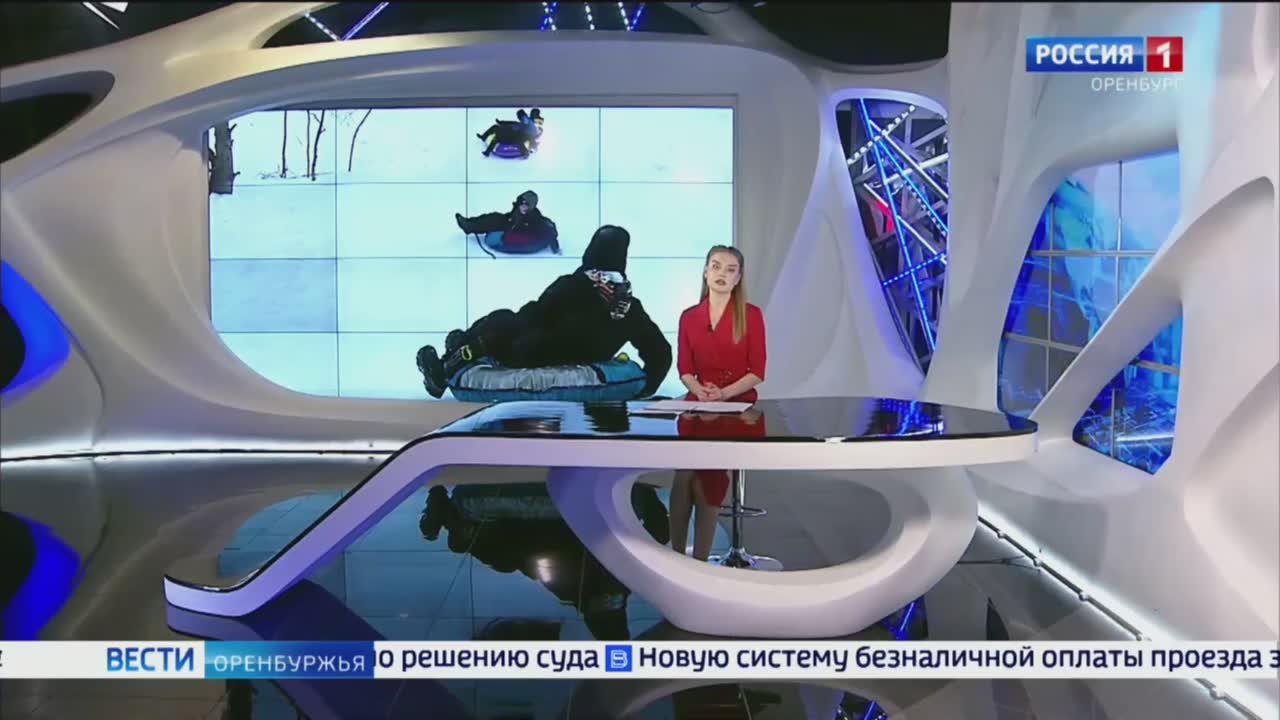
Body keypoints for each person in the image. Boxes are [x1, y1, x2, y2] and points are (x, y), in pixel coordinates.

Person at [416, 225, 672, 399]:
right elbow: (660, 351)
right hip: (579, 356)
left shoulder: (573, 285)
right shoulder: (631, 308)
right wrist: (645, 388)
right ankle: (462, 343)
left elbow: (533, 315)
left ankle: (445, 369)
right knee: (507, 324)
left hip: (533, 353)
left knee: (502, 319)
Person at [669, 245, 767, 561]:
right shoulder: (689, 317)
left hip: (739, 409)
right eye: (716, 266)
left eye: (730, 269)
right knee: (684, 474)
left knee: (705, 477)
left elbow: (757, 371)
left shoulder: (751, 315)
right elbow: (685, 369)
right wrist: (699, 390)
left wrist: (723, 394)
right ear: (705, 272)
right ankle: (676, 558)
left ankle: (698, 561)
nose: (722, 274)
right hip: (698, 405)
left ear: (739, 278)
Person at [455, 190, 560, 255]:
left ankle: (477, 228)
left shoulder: (535, 217)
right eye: (522, 205)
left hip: (518, 235)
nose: (523, 208)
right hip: (511, 226)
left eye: (526, 206)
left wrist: (555, 247)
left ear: (531, 207)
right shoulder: (517, 210)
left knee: (492, 238)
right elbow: (510, 218)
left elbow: (549, 230)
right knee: (494, 217)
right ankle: (469, 225)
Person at [475, 108, 543, 157]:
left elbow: (516, 125)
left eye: (518, 116)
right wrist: (502, 122)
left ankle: (525, 153)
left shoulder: (524, 121)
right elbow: (513, 123)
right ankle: (485, 142)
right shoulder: (526, 120)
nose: (518, 118)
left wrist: (507, 126)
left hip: (525, 135)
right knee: (497, 134)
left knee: (498, 137)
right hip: (522, 134)